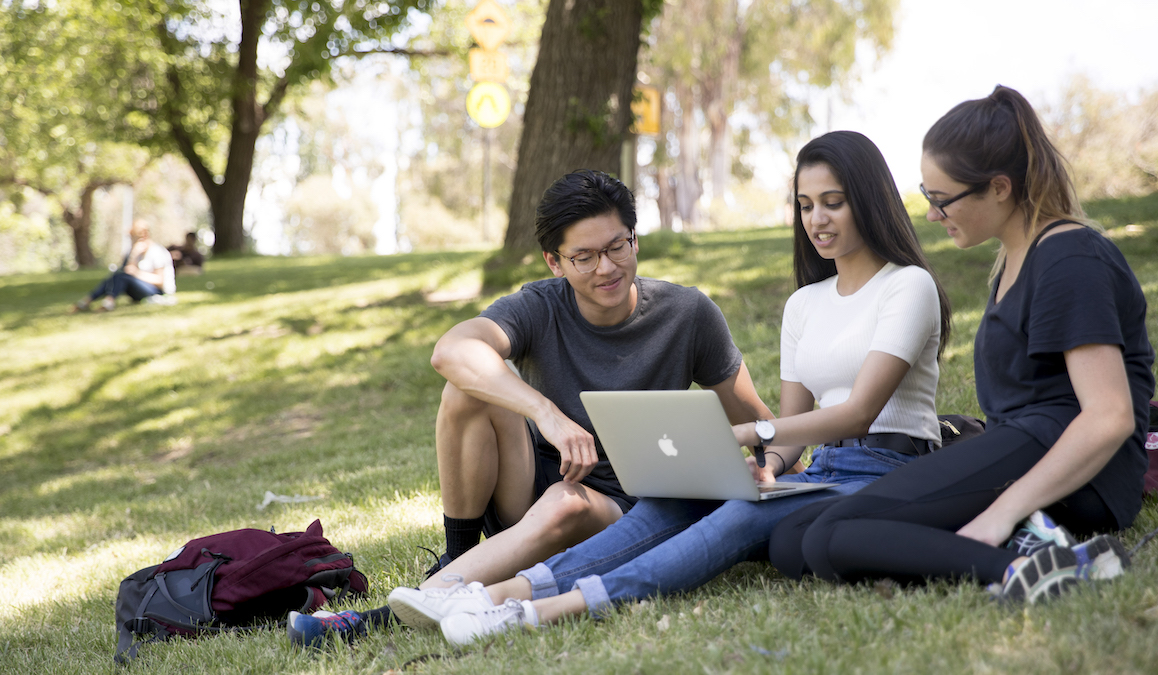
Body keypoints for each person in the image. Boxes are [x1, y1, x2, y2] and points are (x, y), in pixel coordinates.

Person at [384, 131, 954, 646]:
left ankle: (525, 606)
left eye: (834, 202)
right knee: (684, 500)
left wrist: (741, 437)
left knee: (730, 516)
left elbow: (855, 415)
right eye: (805, 205)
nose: (817, 219)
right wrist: (770, 466)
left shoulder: (909, 287)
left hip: (886, 468)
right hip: (818, 468)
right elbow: (787, 430)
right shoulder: (803, 304)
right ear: (556, 262)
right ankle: (471, 583)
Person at [286, 169, 782, 646]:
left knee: (566, 501)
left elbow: (758, 422)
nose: (606, 268)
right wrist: (546, 412)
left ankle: (395, 611)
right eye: (584, 257)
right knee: (466, 387)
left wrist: (770, 463)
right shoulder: (540, 305)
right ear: (554, 262)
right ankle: (456, 561)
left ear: (635, 239)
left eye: (616, 247)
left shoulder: (687, 313)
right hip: (532, 487)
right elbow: (451, 351)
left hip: (624, 507)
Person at [766, 85, 1155, 605]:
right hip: (1018, 449)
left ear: (998, 188)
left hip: (1078, 472)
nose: (930, 214)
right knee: (795, 541)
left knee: (834, 536)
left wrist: (999, 513)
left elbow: (1109, 417)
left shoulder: (1070, 259)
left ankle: (1023, 565)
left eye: (941, 199)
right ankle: (1018, 541)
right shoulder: (1016, 261)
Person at [72, 219, 176, 312]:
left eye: (134, 238)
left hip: (158, 292)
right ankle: (88, 301)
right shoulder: (135, 252)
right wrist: (134, 256)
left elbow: (160, 281)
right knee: (116, 276)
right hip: (139, 289)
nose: (132, 241)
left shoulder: (157, 252)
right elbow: (127, 270)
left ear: (144, 235)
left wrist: (136, 273)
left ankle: (107, 302)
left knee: (122, 276)